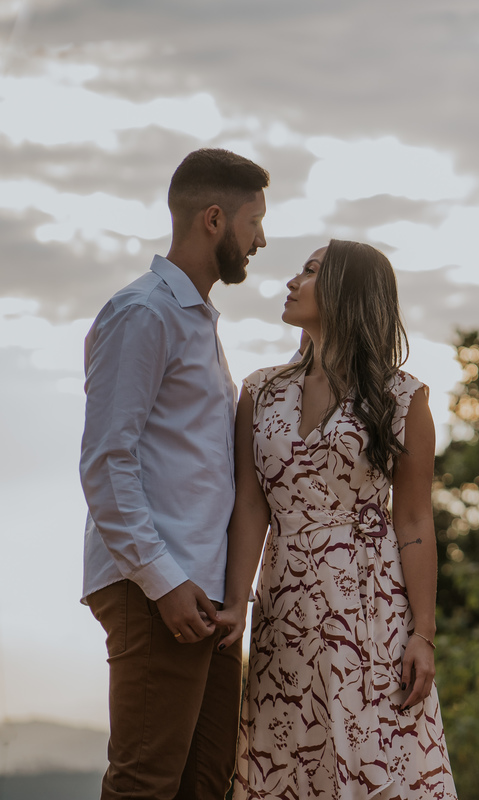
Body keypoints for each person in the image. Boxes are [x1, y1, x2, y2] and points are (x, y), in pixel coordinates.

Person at [219, 240, 456, 799]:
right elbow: (252, 506)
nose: (291, 282)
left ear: (347, 292)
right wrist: (236, 601)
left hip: (372, 606)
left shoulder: (402, 397)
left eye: (309, 272)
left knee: (373, 754)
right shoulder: (261, 391)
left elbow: (416, 521)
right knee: (290, 755)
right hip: (285, 603)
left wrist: (424, 634)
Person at [80, 148, 269, 799]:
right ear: (214, 219)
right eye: (254, 223)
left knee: (207, 785)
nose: (261, 240)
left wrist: (229, 594)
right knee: (146, 784)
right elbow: (107, 459)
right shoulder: (145, 313)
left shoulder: (196, 322)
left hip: (207, 597)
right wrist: (162, 581)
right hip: (156, 587)